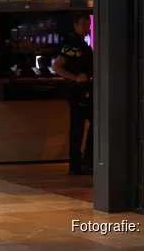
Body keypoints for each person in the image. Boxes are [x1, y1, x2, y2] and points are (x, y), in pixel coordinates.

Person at [52, 12, 94, 175]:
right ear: (76, 25)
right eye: (83, 24)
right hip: (76, 90)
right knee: (77, 125)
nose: (86, 28)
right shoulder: (71, 43)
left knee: (91, 122)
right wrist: (76, 77)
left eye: (88, 25)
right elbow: (57, 66)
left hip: (86, 89)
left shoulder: (82, 43)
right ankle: (77, 161)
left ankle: (88, 159)